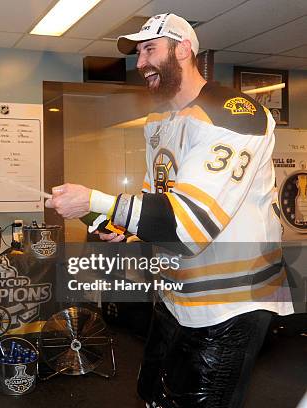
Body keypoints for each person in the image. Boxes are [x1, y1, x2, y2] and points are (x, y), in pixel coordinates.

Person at [45, 13, 293, 408]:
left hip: (229, 302)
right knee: (152, 395)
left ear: (183, 50)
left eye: (149, 49)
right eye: (138, 53)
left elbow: (187, 228)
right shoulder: (160, 119)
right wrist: (124, 226)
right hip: (177, 293)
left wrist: (95, 201)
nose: (140, 63)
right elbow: (156, 191)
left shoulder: (234, 115)